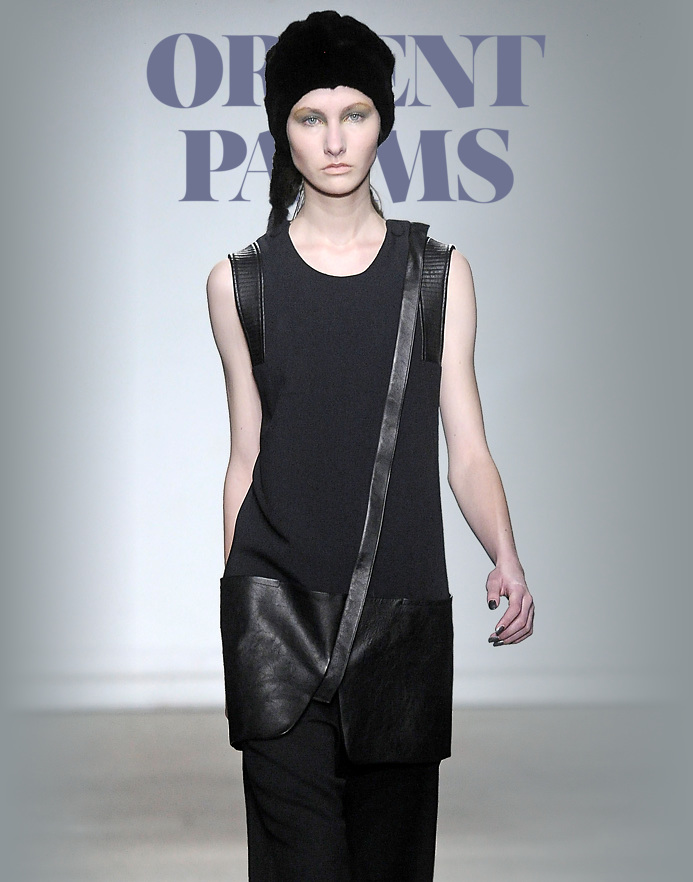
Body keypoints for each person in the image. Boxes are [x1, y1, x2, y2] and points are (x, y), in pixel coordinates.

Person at [207, 11, 534, 881]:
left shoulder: (437, 274)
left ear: (382, 121)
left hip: (400, 622)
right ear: (282, 129)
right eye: (310, 117)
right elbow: (244, 456)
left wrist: (504, 555)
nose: (333, 140)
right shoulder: (239, 283)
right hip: (275, 618)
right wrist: (238, 610)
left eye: (353, 113)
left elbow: (467, 446)